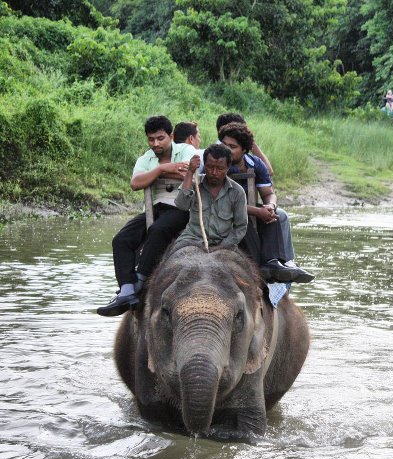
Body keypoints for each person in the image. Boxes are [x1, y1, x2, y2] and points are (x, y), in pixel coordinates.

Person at [97, 115, 198, 316]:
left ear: (171, 136)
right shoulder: (146, 158)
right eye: (151, 139)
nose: (156, 143)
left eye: (160, 138)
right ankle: (126, 289)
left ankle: (139, 282)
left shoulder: (186, 150)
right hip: (154, 208)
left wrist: (153, 174)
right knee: (121, 239)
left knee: (158, 229)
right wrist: (162, 168)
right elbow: (135, 183)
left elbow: (187, 173)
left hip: (181, 207)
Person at [218, 122, 313, 283]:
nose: (226, 150)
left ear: (244, 149)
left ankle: (272, 262)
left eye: (232, 147)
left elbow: (269, 193)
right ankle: (263, 265)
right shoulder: (216, 164)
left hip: (248, 210)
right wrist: (258, 212)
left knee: (275, 215)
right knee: (251, 218)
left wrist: (270, 206)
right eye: (224, 145)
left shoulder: (255, 163)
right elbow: (224, 202)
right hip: (224, 214)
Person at [174, 143, 247, 250]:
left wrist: (223, 246)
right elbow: (182, 205)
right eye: (210, 167)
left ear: (228, 168)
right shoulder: (194, 183)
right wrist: (190, 172)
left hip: (223, 243)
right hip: (191, 239)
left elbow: (240, 227)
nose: (214, 172)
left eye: (220, 168)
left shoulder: (237, 192)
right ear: (204, 165)